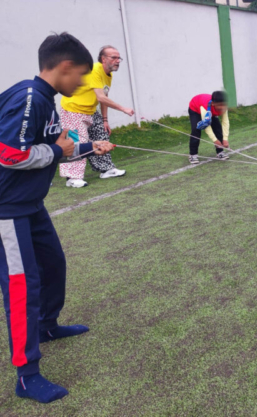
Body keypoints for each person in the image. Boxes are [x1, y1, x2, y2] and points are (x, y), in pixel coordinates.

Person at [0, 33, 114, 403]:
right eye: (80, 77)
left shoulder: (46, 101)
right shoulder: (30, 98)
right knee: (22, 287)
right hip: (8, 210)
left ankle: (47, 326)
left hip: (31, 204)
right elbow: (9, 155)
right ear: (64, 67)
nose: (82, 84)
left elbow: (54, 149)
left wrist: (87, 146)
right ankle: (26, 376)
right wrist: (55, 148)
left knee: (54, 265)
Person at [58, 45, 133, 188]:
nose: (117, 61)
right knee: (75, 142)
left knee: (101, 134)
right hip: (73, 109)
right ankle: (72, 178)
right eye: (114, 57)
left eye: (119, 58)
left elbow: (104, 96)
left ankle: (106, 169)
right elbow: (101, 97)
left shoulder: (108, 74)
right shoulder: (94, 70)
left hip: (90, 110)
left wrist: (105, 120)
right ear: (103, 59)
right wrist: (123, 109)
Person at [188, 91, 230, 164]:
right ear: (213, 104)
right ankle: (193, 155)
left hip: (211, 111)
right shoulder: (205, 107)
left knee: (218, 128)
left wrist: (225, 139)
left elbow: (225, 122)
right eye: (220, 105)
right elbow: (206, 126)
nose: (222, 107)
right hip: (195, 108)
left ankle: (220, 152)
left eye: (224, 105)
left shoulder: (223, 108)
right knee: (196, 130)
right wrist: (215, 140)